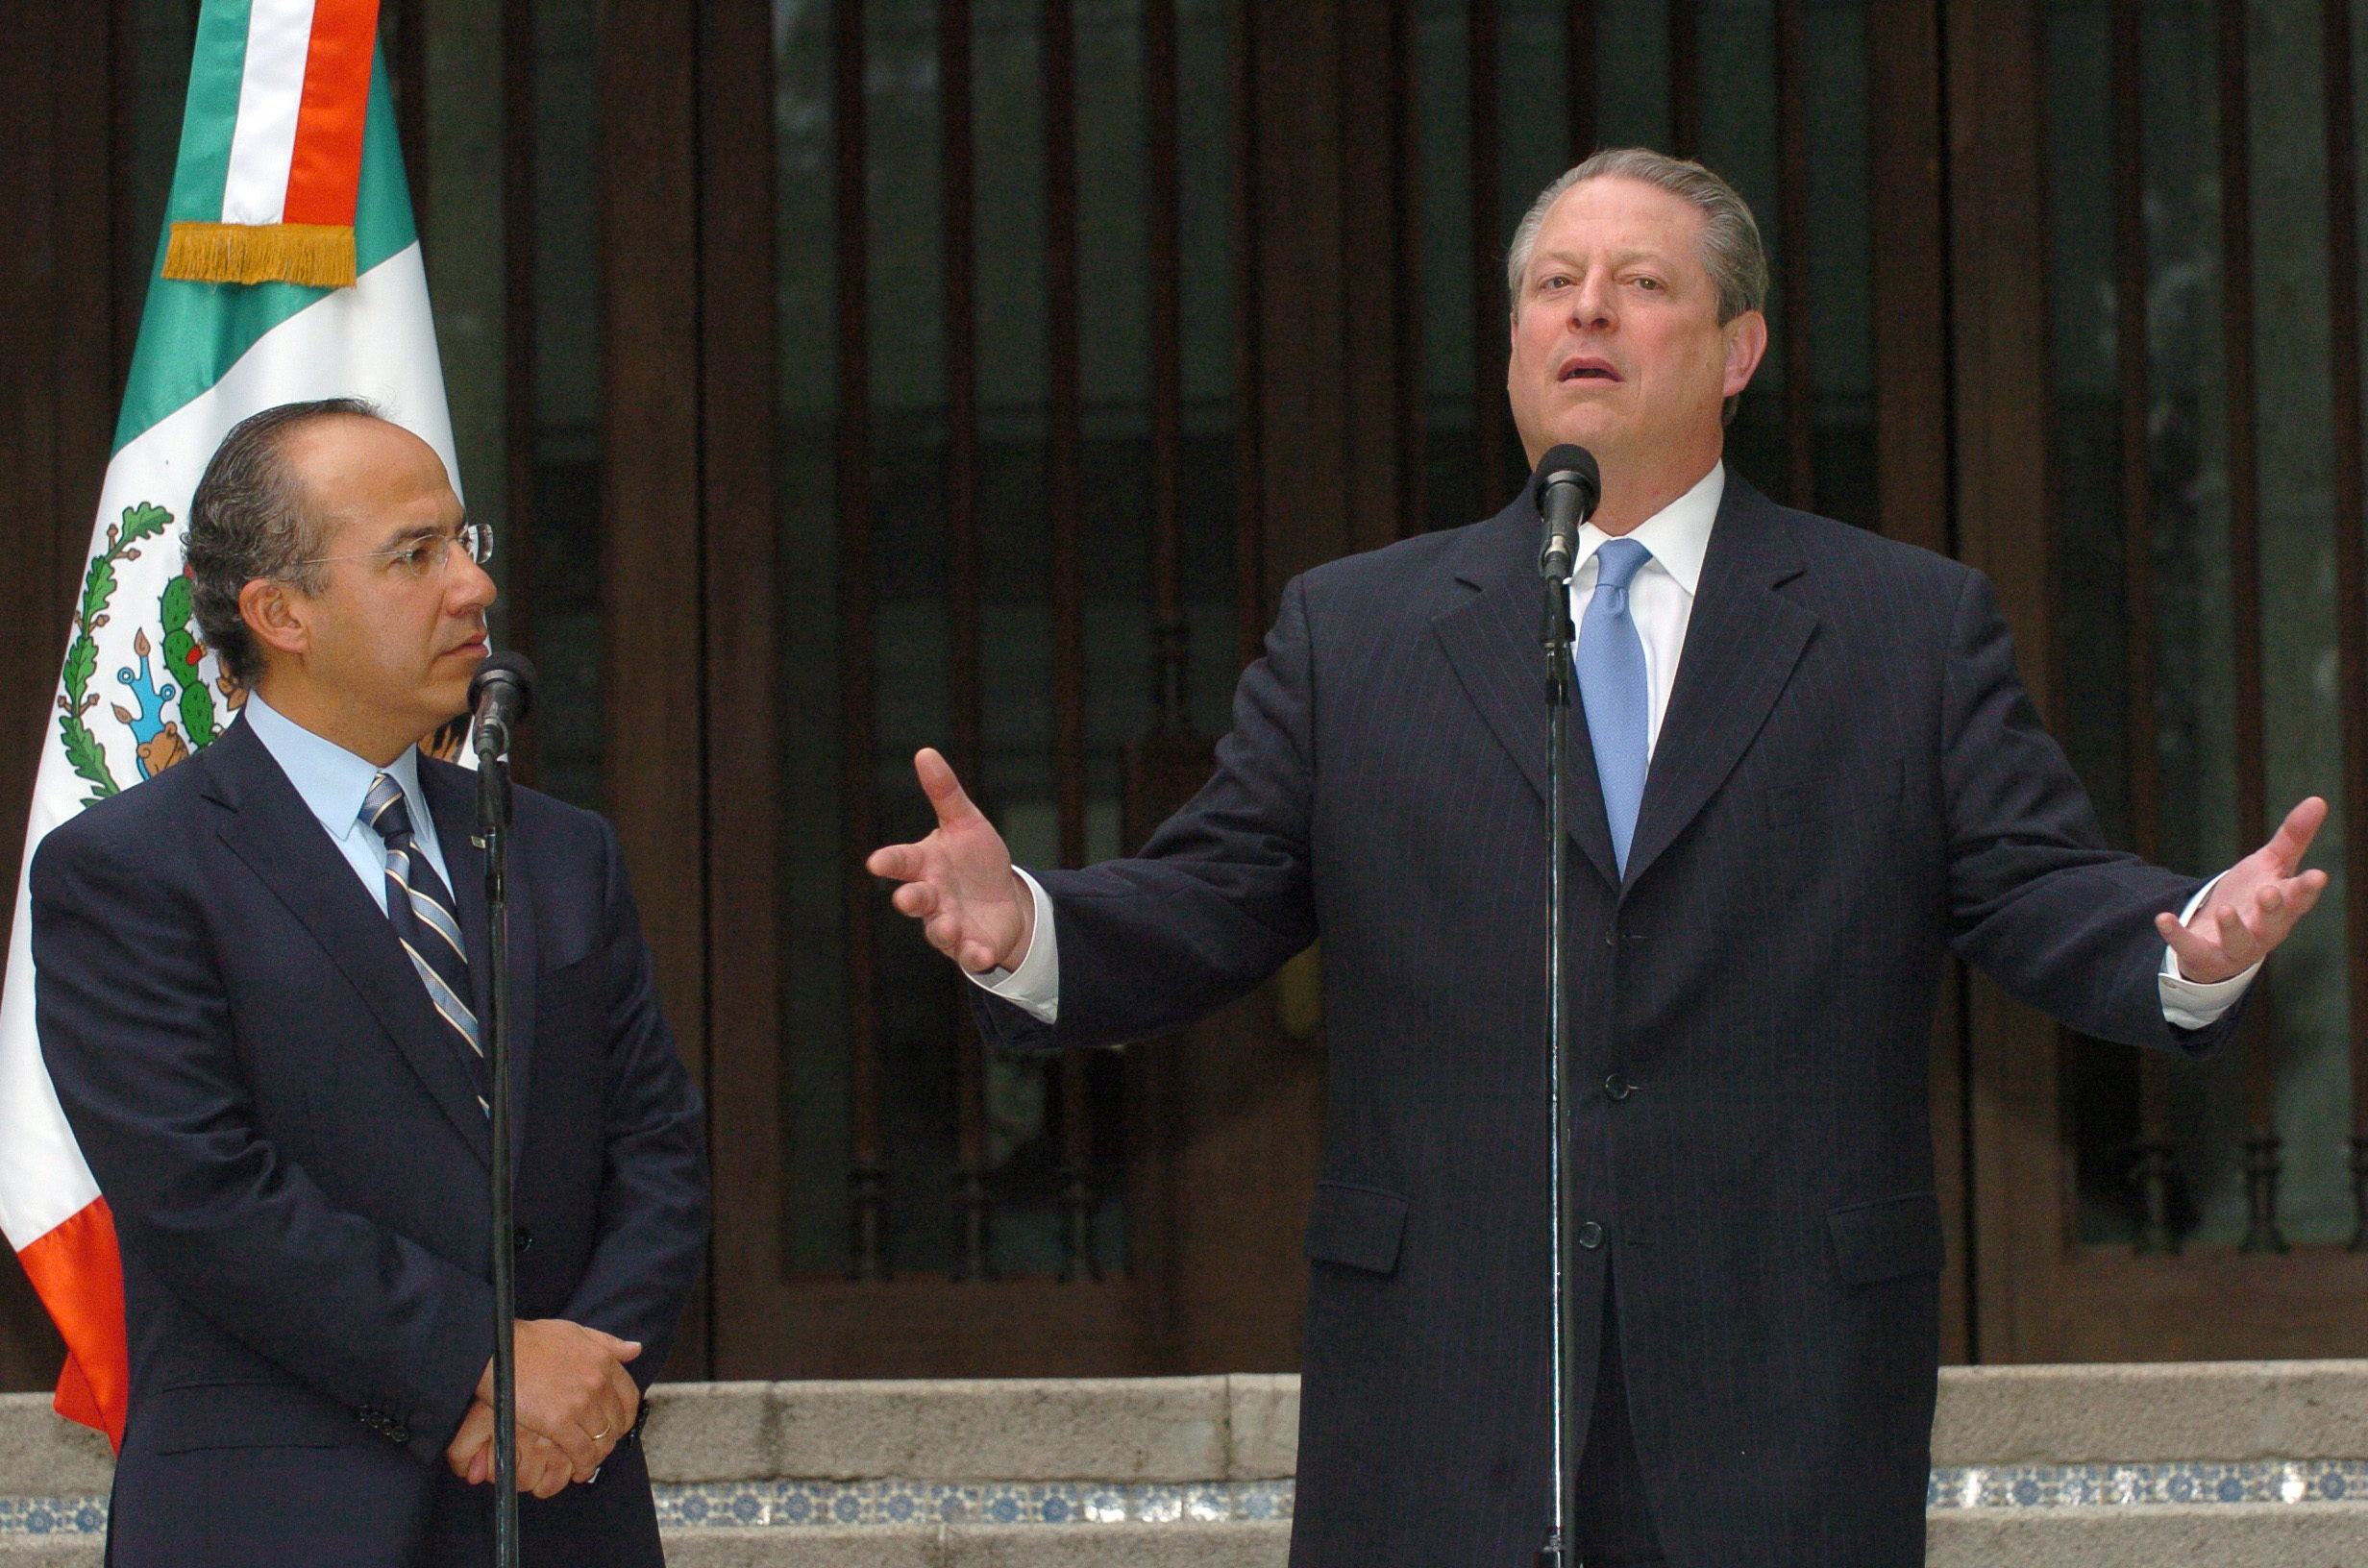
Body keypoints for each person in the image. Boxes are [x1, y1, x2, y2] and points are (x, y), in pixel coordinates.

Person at [866, 149, 2326, 1567]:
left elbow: (2028, 880)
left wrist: (2181, 938)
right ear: (1511, 343)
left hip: (1781, 1378)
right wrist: (1031, 925)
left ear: (1738, 347)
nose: (1587, 312)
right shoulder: (1357, 636)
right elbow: (1212, 895)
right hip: (1445, 1370)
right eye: (1555, 285)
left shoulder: (1902, 628)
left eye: (1640, 283)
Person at [33, 399, 708, 1567]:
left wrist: (579, 1377)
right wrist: (485, 1364)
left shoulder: (558, 850)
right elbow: (204, 1192)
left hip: (560, 1501)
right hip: (278, 1518)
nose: (472, 588)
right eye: (415, 555)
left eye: (463, 541)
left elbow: (657, 1146)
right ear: (280, 612)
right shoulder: (129, 871)